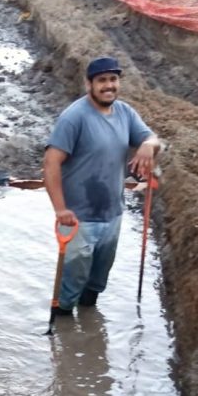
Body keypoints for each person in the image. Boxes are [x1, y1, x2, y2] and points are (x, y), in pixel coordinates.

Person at [43, 56, 161, 314]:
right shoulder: (74, 118)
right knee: (69, 288)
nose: (108, 86)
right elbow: (51, 163)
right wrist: (60, 210)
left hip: (112, 213)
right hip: (78, 219)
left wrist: (147, 146)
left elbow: (153, 138)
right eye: (102, 81)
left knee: (96, 283)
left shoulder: (125, 113)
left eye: (113, 80)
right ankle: (63, 338)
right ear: (89, 84)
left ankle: (88, 334)